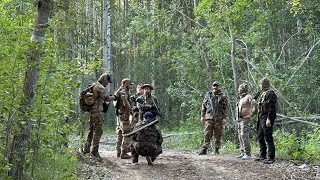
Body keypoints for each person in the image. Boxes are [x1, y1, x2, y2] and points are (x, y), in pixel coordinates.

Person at [83, 73, 114, 159]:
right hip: (97, 111)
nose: (107, 84)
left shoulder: (93, 85)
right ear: (104, 79)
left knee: (91, 130)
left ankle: (86, 149)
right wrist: (114, 97)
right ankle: (94, 151)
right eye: (107, 81)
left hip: (92, 112)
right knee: (98, 131)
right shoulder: (100, 87)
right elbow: (106, 98)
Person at [199, 81, 228, 155]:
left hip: (219, 118)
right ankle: (204, 149)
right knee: (207, 133)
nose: (215, 87)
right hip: (209, 118)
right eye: (214, 86)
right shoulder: (208, 95)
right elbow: (203, 106)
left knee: (218, 134)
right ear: (212, 87)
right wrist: (202, 116)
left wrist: (225, 118)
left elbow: (225, 108)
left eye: (217, 86)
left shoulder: (223, 96)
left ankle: (216, 149)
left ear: (219, 87)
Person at [255, 78, 277, 164]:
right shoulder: (262, 94)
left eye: (261, 84)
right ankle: (262, 155)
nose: (260, 86)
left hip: (266, 116)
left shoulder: (271, 94)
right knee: (260, 136)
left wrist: (269, 119)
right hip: (261, 116)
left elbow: (272, 107)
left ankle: (271, 157)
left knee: (268, 137)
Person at [236, 83, 257, 160]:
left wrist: (251, 114)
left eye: (240, 88)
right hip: (240, 120)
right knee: (240, 136)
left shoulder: (248, 97)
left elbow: (255, 104)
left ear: (243, 89)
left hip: (245, 119)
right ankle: (243, 152)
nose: (239, 89)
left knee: (244, 135)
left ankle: (247, 153)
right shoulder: (241, 98)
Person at [114, 78, 133, 159]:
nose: (130, 86)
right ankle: (123, 152)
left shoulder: (118, 91)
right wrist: (131, 110)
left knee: (119, 133)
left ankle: (118, 151)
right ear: (125, 84)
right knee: (127, 133)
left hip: (119, 115)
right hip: (124, 115)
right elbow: (126, 102)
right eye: (129, 84)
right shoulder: (123, 92)